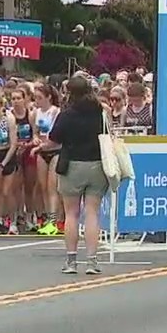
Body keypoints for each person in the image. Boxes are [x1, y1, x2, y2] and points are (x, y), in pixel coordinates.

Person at [42, 74, 109, 275]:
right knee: (92, 213)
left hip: (71, 164)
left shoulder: (67, 115)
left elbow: (53, 140)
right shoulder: (101, 111)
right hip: (96, 164)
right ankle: (92, 260)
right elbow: (108, 135)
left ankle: (71, 260)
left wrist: (41, 146)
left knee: (71, 214)